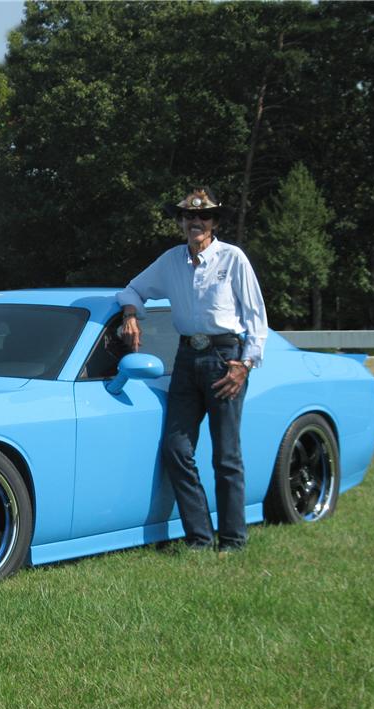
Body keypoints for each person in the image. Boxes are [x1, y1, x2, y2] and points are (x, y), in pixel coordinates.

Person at [117, 187, 268, 552]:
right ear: (181, 222)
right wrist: (131, 313)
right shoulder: (170, 261)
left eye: (203, 217)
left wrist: (245, 365)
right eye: (188, 217)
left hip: (225, 359)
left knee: (226, 455)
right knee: (176, 448)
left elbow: (256, 319)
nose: (195, 222)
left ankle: (233, 541)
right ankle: (199, 538)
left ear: (214, 222)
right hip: (185, 359)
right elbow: (132, 289)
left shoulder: (233, 259)